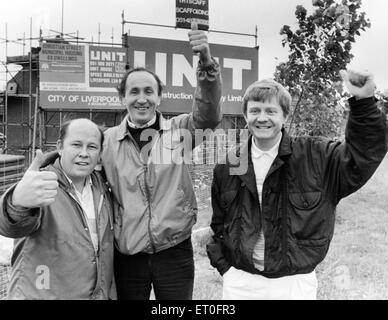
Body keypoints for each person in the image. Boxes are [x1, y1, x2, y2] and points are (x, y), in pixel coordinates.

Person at [206, 70, 387, 300]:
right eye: (255, 111)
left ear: (285, 116)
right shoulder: (229, 165)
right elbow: (219, 225)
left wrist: (364, 103)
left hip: (294, 285)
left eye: (271, 111)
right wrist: (227, 270)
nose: (262, 118)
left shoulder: (317, 157)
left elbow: (362, 156)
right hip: (240, 283)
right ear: (245, 115)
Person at [101, 22, 222, 300]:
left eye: (148, 91)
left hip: (174, 250)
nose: (141, 99)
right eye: (134, 92)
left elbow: (210, 114)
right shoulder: (107, 141)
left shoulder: (180, 131)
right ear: (122, 98)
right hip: (128, 253)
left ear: (159, 97)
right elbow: (75, 160)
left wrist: (205, 62)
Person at [0, 119, 115, 300]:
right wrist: (17, 203)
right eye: (76, 145)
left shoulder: (103, 188)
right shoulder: (42, 184)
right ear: (60, 147)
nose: (84, 153)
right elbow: (11, 225)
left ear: (100, 153)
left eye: (92, 147)